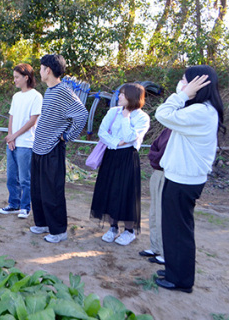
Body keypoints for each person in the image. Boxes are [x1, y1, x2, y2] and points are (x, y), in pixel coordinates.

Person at [154, 65, 226, 293]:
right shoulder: (200, 110)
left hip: (184, 181)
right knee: (174, 228)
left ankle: (181, 280)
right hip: (181, 178)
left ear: (198, 85)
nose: (182, 85)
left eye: (185, 81)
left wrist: (183, 94)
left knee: (179, 231)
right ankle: (175, 270)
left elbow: (162, 114)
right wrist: (185, 96)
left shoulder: (201, 112)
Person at [30, 54, 88, 243]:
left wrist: (66, 136)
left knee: (52, 191)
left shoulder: (63, 90)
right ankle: (43, 223)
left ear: (48, 70)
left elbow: (81, 114)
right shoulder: (50, 90)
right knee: (38, 190)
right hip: (39, 148)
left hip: (52, 148)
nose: (39, 72)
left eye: (40, 68)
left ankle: (59, 230)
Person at [90, 83, 150, 246]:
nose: (119, 96)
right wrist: (117, 143)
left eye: (123, 94)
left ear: (132, 96)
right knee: (109, 190)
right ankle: (113, 227)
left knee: (125, 193)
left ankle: (129, 231)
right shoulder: (113, 111)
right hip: (111, 154)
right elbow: (102, 132)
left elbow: (131, 137)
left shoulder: (142, 117)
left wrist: (125, 118)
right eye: (120, 93)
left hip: (128, 158)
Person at [0, 63, 42, 219]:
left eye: (17, 77)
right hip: (13, 143)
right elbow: (12, 117)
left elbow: (32, 121)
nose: (14, 80)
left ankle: (25, 207)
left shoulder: (36, 96)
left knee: (25, 178)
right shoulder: (16, 96)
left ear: (26, 77)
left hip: (26, 143)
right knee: (11, 176)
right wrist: (10, 136)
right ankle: (13, 204)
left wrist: (14, 135)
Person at [139, 128, 171, 265]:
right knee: (153, 212)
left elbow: (168, 153)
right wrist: (156, 159)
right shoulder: (166, 130)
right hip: (157, 172)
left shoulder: (182, 129)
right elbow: (154, 148)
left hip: (168, 174)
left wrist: (160, 159)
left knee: (162, 214)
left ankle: (165, 253)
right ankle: (155, 247)